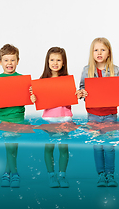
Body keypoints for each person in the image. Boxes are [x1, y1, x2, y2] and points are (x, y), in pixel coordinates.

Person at [78, 37, 119, 187]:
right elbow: (82, 88)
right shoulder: (86, 70)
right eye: (96, 50)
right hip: (93, 114)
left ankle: (110, 174)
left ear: (109, 53)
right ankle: (101, 175)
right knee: (97, 145)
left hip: (110, 114)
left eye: (103, 49)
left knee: (109, 145)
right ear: (92, 53)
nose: (99, 52)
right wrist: (81, 93)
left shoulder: (116, 70)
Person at [30, 47, 81, 188]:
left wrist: (76, 95)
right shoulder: (42, 81)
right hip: (49, 119)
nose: (55, 63)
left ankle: (62, 175)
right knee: (49, 148)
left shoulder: (67, 80)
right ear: (47, 61)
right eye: (52, 59)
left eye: (58, 60)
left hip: (65, 119)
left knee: (64, 148)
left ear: (63, 63)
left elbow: (70, 100)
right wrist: (34, 97)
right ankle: (51, 175)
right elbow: (38, 100)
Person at [0, 44, 26, 188]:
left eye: (12, 60)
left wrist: (31, 94)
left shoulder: (22, 79)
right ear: (0, 62)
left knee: (13, 147)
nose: (9, 63)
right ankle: (13, 173)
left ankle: (7, 173)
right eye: (6, 60)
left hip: (18, 118)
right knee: (9, 147)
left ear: (18, 61)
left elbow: (28, 97)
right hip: (4, 118)